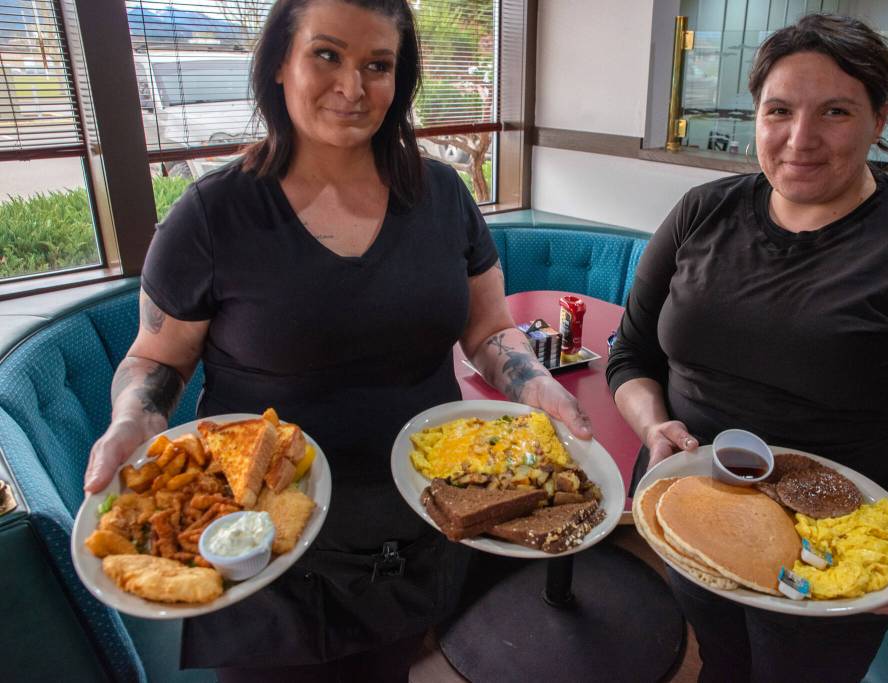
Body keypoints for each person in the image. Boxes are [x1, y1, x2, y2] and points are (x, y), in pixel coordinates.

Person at [83, 0, 591, 680]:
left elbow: (489, 328)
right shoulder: (211, 215)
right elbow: (155, 359)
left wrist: (537, 384)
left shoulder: (442, 195)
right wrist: (129, 421)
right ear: (279, 65)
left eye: (376, 65)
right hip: (266, 543)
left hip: (421, 519)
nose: (353, 88)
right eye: (327, 55)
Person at [607, 13, 888, 683]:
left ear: (880, 117)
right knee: (720, 661)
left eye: (835, 111)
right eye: (779, 110)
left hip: (834, 561)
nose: (800, 139)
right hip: (695, 512)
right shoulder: (700, 213)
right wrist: (654, 427)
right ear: (757, 114)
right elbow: (630, 356)